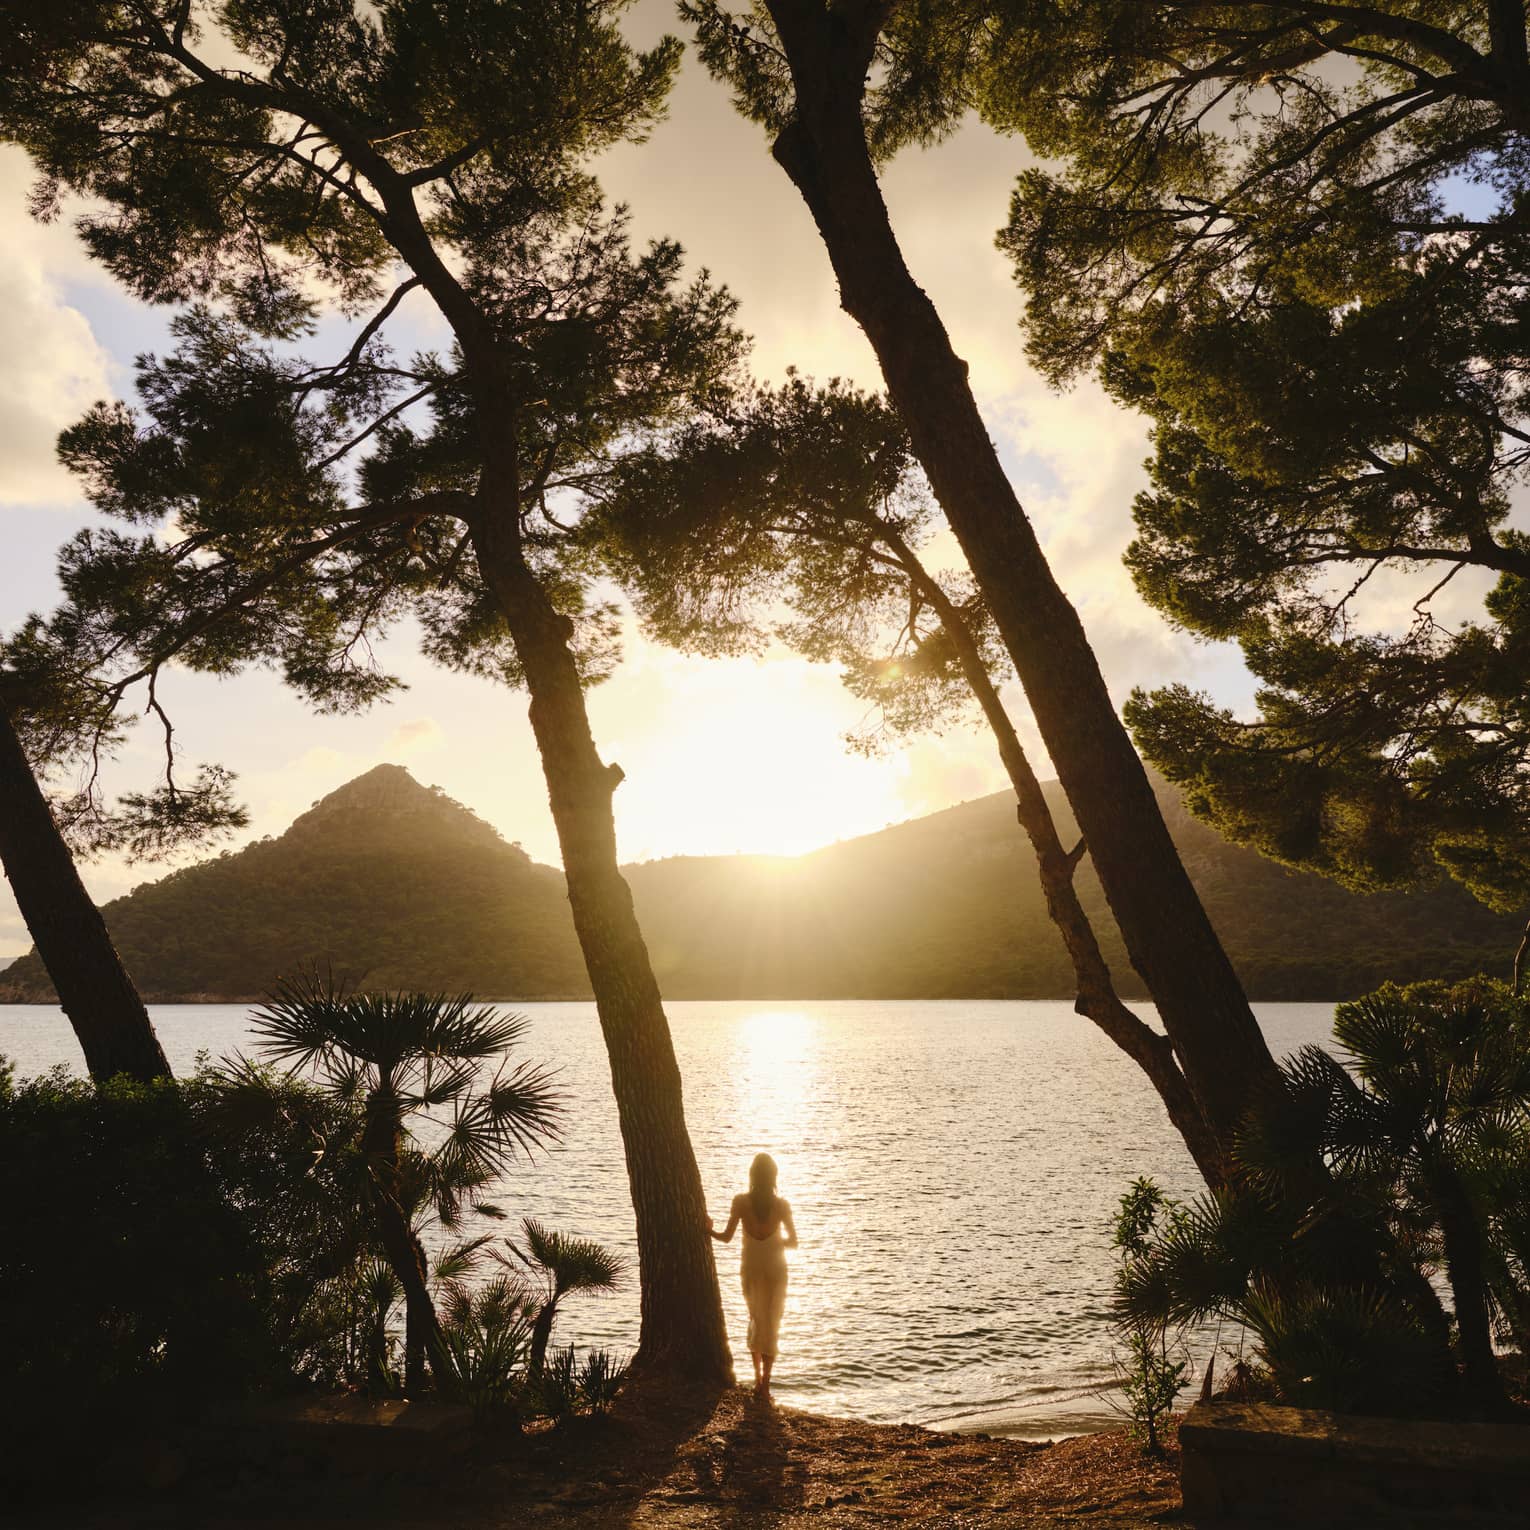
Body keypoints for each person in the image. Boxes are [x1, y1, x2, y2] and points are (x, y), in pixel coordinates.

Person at [707, 1152, 798, 1399]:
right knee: (771, 1323)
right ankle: (765, 1384)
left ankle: (757, 1378)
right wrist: (774, 1241)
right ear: (774, 1177)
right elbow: (793, 1241)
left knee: (757, 1319)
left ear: (752, 1175)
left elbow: (726, 1238)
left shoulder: (740, 1202)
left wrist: (707, 1230)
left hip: (751, 1267)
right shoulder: (781, 1206)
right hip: (776, 1268)